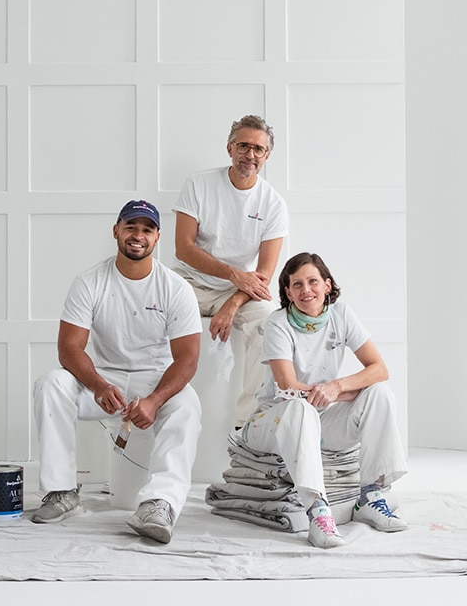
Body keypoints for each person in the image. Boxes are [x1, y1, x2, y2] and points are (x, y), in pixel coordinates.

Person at [31, 200, 203, 544]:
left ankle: (159, 503)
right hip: (104, 379)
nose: (138, 235)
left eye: (147, 229)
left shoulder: (175, 287)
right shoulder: (89, 281)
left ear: (157, 238)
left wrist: (154, 400)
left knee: (188, 404)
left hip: (153, 379)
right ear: (116, 231)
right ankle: (61, 491)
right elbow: (69, 348)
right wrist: (96, 385)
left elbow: (187, 358)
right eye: (131, 227)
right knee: (50, 384)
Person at [238, 252, 408, 548]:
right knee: (300, 407)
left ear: (327, 285)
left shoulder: (341, 314)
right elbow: (288, 386)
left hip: (318, 417)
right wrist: (336, 391)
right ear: (288, 292)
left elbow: (379, 370)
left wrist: (337, 387)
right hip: (273, 422)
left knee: (379, 394)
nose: (307, 290)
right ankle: (317, 511)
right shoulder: (277, 323)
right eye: (297, 284)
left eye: (313, 281)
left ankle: (370, 495)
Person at [173, 115, 288, 427]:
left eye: (258, 149)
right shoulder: (198, 184)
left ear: (267, 156)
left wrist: (233, 302)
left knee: (269, 321)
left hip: (240, 291)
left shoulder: (273, 204)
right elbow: (183, 248)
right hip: (190, 281)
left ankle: (249, 422)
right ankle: (150, 402)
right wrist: (234, 274)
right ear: (230, 148)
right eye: (243, 146)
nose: (250, 155)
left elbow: (263, 273)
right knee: (149, 310)